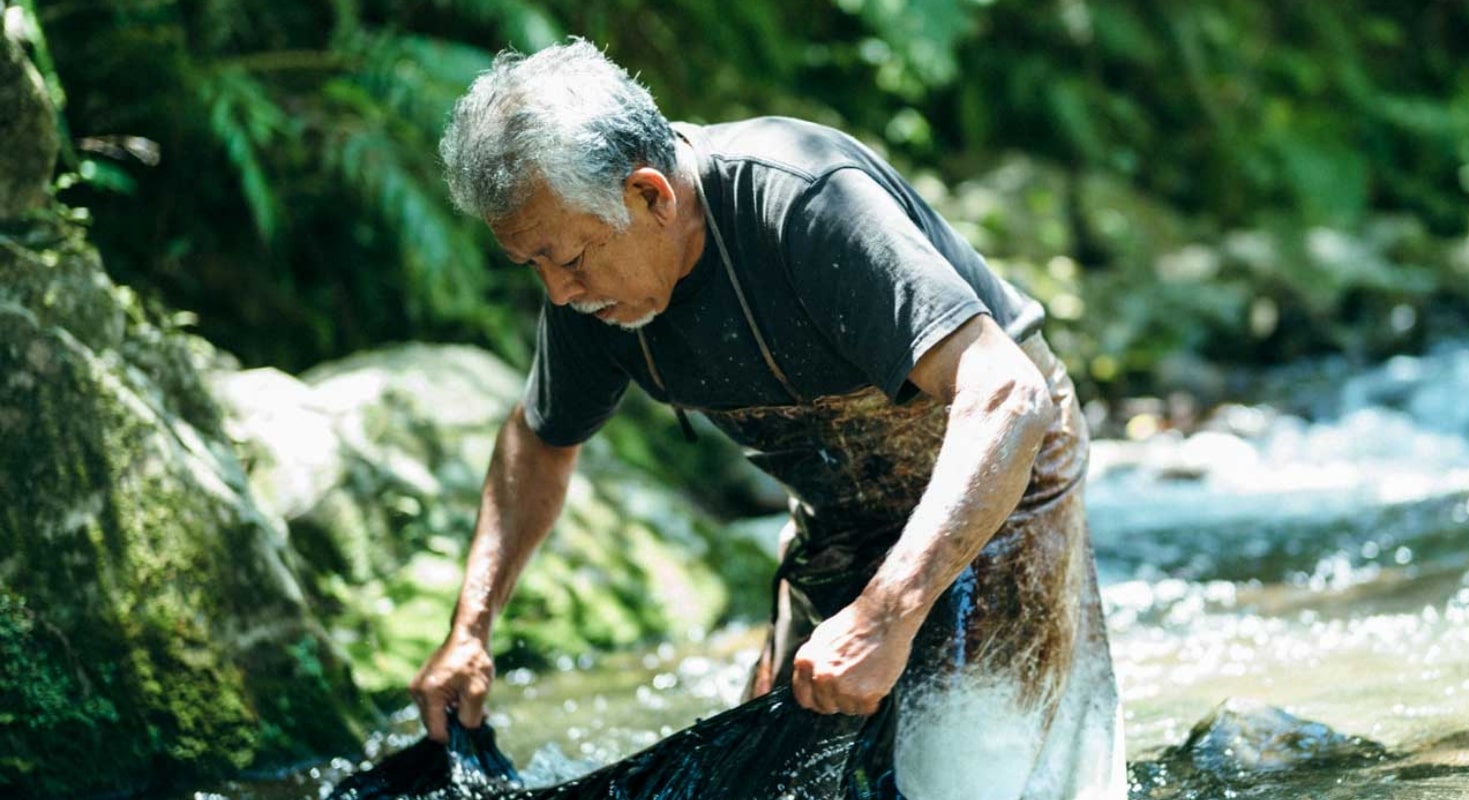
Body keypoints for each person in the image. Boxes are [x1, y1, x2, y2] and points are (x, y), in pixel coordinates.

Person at [409, 38, 1124, 799]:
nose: (557, 295)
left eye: (571, 261)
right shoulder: (593, 278)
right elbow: (538, 442)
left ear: (652, 195)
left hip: (1002, 490)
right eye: (535, 267)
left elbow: (1010, 396)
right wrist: (471, 631)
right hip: (838, 523)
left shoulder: (807, 202)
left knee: (963, 777)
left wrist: (887, 616)